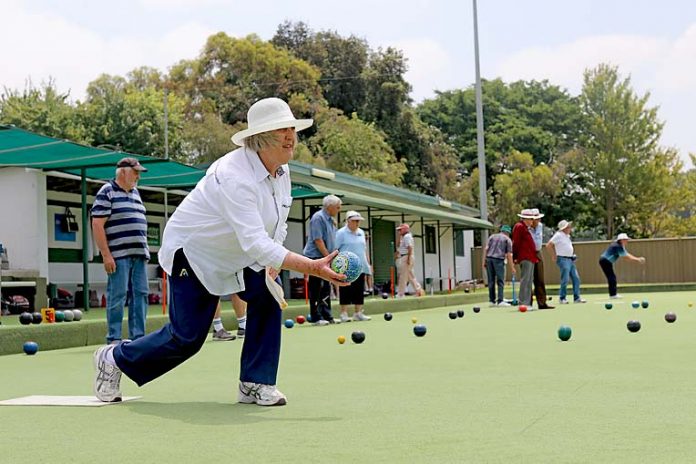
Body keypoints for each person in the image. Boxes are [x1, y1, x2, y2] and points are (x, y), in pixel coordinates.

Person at [92, 97, 346, 406]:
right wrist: (312, 267)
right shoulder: (233, 175)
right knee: (186, 339)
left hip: (239, 253)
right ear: (262, 138)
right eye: (283, 130)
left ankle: (256, 382)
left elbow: (278, 220)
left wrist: (274, 261)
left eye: (292, 128)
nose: (291, 136)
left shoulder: (282, 170)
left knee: (267, 296)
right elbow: (254, 241)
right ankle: (114, 358)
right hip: (195, 253)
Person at [91, 157, 150, 344]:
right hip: (118, 255)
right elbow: (97, 224)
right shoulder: (107, 192)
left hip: (139, 254)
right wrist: (106, 255)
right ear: (123, 172)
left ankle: (138, 337)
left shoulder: (136, 193)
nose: (138, 176)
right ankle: (114, 338)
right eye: (136, 172)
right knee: (118, 295)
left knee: (141, 294)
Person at [303, 194, 342, 325]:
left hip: (325, 257)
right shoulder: (318, 218)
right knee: (316, 287)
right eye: (337, 207)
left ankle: (327, 315)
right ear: (329, 207)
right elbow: (318, 240)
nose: (339, 210)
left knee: (326, 286)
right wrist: (328, 258)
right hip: (315, 257)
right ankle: (316, 317)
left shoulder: (331, 220)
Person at [335, 211, 372, 322]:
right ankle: (344, 313)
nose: (357, 223)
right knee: (345, 289)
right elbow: (335, 249)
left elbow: (364, 249)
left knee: (359, 289)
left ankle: (358, 313)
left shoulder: (361, 232)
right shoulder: (341, 233)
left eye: (358, 221)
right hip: (345, 266)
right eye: (355, 221)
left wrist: (368, 264)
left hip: (360, 265)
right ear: (348, 221)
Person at [546, 220, 587, 304]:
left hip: (570, 259)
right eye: (568, 227)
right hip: (562, 259)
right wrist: (553, 255)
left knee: (576, 278)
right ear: (563, 228)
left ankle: (577, 298)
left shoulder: (567, 236)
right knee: (565, 279)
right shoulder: (558, 235)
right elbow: (549, 245)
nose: (570, 228)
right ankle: (562, 298)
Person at [599, 233, 646, 298]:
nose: (627, 241)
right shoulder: (618, 246)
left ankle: (613, 294)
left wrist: (637, 259)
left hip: (605, 261)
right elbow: (626, 256)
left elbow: (626, 254)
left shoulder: (619, 245)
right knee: (612, 277)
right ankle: (613, 295)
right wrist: (638, 259)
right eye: (626, 239)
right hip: (605, 261)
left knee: (612, 277)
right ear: (621, 240)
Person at [482, 225, 515, 307]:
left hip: (489, 259)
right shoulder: (508, 240)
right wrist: (512, 268)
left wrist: (483, 261)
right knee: (500, 281)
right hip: (499, 260)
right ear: (508, 233)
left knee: (491, 281)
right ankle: (500, 300)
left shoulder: (492, 236)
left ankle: (492, 301)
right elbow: (509, 254)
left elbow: (486, 249)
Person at [511, 209, 538, 307]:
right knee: (525, 280)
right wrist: (515, 256)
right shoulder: (519, 227)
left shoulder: (526, 228)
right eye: (531, 219)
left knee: (529, 281)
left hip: (530, 257)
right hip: (525, 257)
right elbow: (516, 242)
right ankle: (523, 303)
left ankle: (527, 303)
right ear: (525, 219)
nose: (532, 221)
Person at [529, 209, 554, 310]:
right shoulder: (526, 227)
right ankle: (527, 303)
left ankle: (542, 303)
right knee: (528, 279)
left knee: (540, 278)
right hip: (528, 253)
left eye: (539, 218)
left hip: (538, 252)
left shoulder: (540, 226)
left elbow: (538, 242)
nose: (538, 220)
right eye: (536, 218)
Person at [395, 223, 424, 297]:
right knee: (410, 276)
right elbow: (398, 246)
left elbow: (410, 248)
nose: (399, 232)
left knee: (403, 276)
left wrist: (408, 259)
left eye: (400, 230)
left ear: (405, 229)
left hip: (407, 256)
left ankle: (400, 293)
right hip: (405, 256)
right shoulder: (404, 237)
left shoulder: (407, 237)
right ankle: (419, 290)